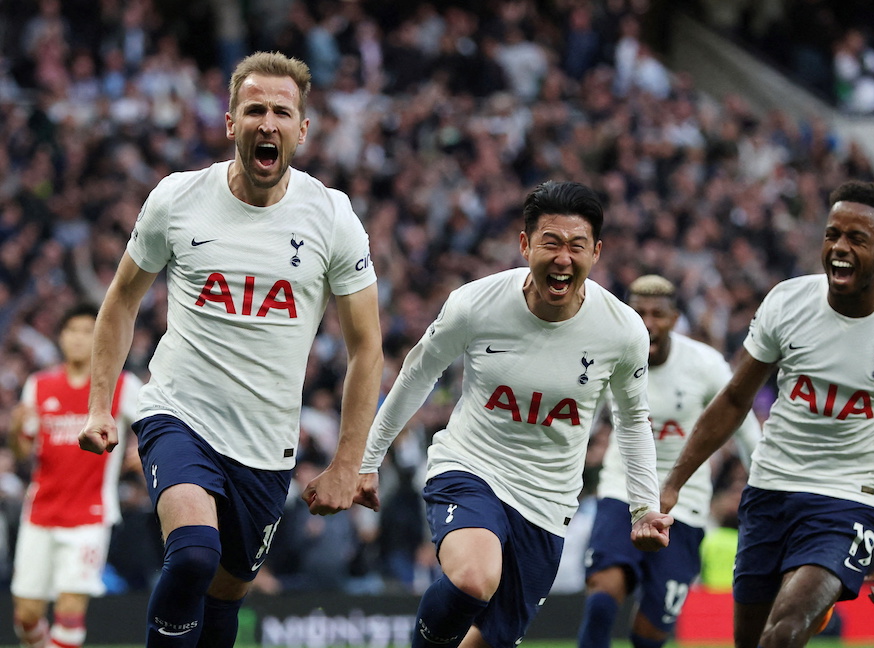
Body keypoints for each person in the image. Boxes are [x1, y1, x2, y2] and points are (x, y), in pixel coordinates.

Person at [77, 51, 384, 648]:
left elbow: (367, 348)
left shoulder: (332, 216)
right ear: (229, 123)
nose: (267, 122)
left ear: (302, 129)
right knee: (192, 555)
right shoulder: (177, 199)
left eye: (280, 111)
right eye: (254, 110)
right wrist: (99, 405)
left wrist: (349, 462)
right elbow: (120, 300)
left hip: (266, 446)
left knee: (224, 597)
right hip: (179, 414)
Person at [357, 180, 673, 648]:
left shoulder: (622, 330)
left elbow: (631, 420)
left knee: (488, 640)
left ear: (596, 253)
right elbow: (417, 374)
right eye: (551, 242)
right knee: (473, 577)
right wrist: (368, 460)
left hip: (547, 501)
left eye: (576, 246)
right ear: (525, 245)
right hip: (470, 466)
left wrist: (645, 506)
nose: (563, 258)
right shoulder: (475, 304)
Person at [661, 180, 874, 648]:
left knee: (785, 630)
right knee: (752, 641)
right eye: (832, 234)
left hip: (847, 499)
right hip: (769, 490)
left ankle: (818, 592)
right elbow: (735, 399)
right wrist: (672, 482)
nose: (839, 247)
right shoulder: (787, 302)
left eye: (857, 239)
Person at [577, 275, 760, 648]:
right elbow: (581, 424)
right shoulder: (610, 360)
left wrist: (763, 481)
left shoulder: (704, 364)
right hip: (621, 491)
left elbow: (742, 423)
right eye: (639, 312)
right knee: (602, 595)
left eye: (658, 314)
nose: (648, 322)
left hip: (686, 504)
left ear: (675, 318)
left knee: (651, 633)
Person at [9, 303, 142, 648]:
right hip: (40, 511)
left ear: (100, 336)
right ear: (61, 337)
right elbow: (23, 451)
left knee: (69, 609)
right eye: (73, 331)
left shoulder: (122, 384)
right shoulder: (38, 385)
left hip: (90, 514)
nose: (80, 339)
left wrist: (143, 450)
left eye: (88, 331)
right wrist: (14, 432)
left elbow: (154, 422)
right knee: (26, 615)